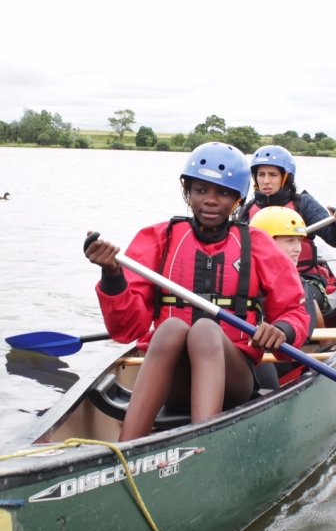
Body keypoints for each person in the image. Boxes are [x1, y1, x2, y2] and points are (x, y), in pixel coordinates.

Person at [84, 142, 310, 441]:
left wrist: (281, 329)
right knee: (171, 328)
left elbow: (295, 311)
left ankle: (203, 446)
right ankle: (125, 450)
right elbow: (126, 330)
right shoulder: (157, 239)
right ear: (187, 191)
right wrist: (112, 275)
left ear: (238, 198)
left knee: (204, 330)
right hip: (173, 382)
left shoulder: (258, 244)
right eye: (201, 190)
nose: (211, 201)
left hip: (234, 378)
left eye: (223, 192)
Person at [243, 145, 336, 277]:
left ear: (285, 178)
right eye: (261, 174)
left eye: (273, 175)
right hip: (263, 277)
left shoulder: (302, 204)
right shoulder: (248, 209)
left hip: (303, 276)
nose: (266, 181)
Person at [250, 206, 326, 338]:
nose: (298, 249)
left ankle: (326, 344)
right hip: (245, 344)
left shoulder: (298, 283)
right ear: (265, 242)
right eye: (290, 241)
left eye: (299, 241)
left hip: (282, 344)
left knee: (310, 301)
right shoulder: (241, 275)